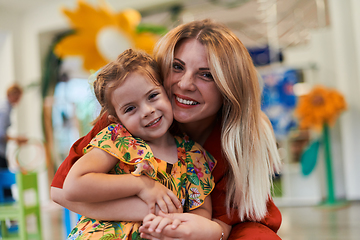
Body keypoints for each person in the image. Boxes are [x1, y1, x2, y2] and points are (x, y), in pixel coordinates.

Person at [51, 19, 282, 240]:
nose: (184, 84)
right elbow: (62, 191)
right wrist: (148, 200)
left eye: (206, 74)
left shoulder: (209, 151)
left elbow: (216, 220)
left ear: (228, 86)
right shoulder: (122, 126)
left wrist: (188, 226)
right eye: (177, 67)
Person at [63, 49, 217, 239]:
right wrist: (141, 185)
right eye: (130, 108)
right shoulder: (119, 139)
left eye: (152, 96)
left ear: (167, 92)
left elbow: (201, 212)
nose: (146, 111)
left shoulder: (194, 156)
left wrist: (176, 228)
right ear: (117, 119)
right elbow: (73, 186)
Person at [0, 84, 28, 200]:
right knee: (5, 183)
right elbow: (1, 134)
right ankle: (8, 215)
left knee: (5, 184)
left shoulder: (8, 109)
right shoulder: (4, 110)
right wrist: (17, 139)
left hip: (2, 152)